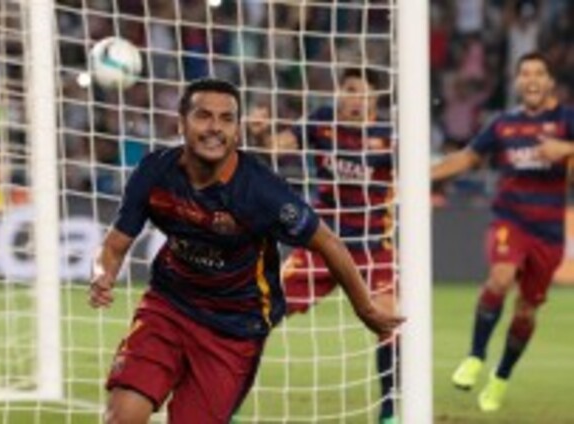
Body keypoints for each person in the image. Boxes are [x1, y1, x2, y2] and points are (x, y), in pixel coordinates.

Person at [89, 78, 404, 424]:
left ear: (237, 131)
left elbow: (328, 242)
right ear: (181, 123)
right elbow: (114, 245)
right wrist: (103, 273)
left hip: (233, 327)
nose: (215, 128)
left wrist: (364, 308)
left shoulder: (262, 191)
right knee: (122, 416)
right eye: (203, 116)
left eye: (226, 119)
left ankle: (389, 410)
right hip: (168, 307)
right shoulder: (155, 171)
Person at [248, 67, 399, 424]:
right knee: (258, 313)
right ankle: (228, 400)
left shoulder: (389, 136)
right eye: (348, 90)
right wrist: (262, 133)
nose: (354, 99)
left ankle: (389, 413)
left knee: (389, 322)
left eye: (362, 92)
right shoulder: (322, 121)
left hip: (373, 247)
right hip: (323, 243)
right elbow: (276, 148)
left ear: (374, 99)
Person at [432, 51, 574, 413]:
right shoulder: (502, 125)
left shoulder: (566, 120)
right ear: (517, 81)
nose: (532, 79)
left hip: (549, 233)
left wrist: (566, 148)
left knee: (526, 312)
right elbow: (467, 158)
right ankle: (475, 356)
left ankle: (501, 377)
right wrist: (423, 175)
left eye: (539, 73)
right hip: (510, 221)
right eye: (525, 73)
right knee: (500, 277)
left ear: (550, 82)